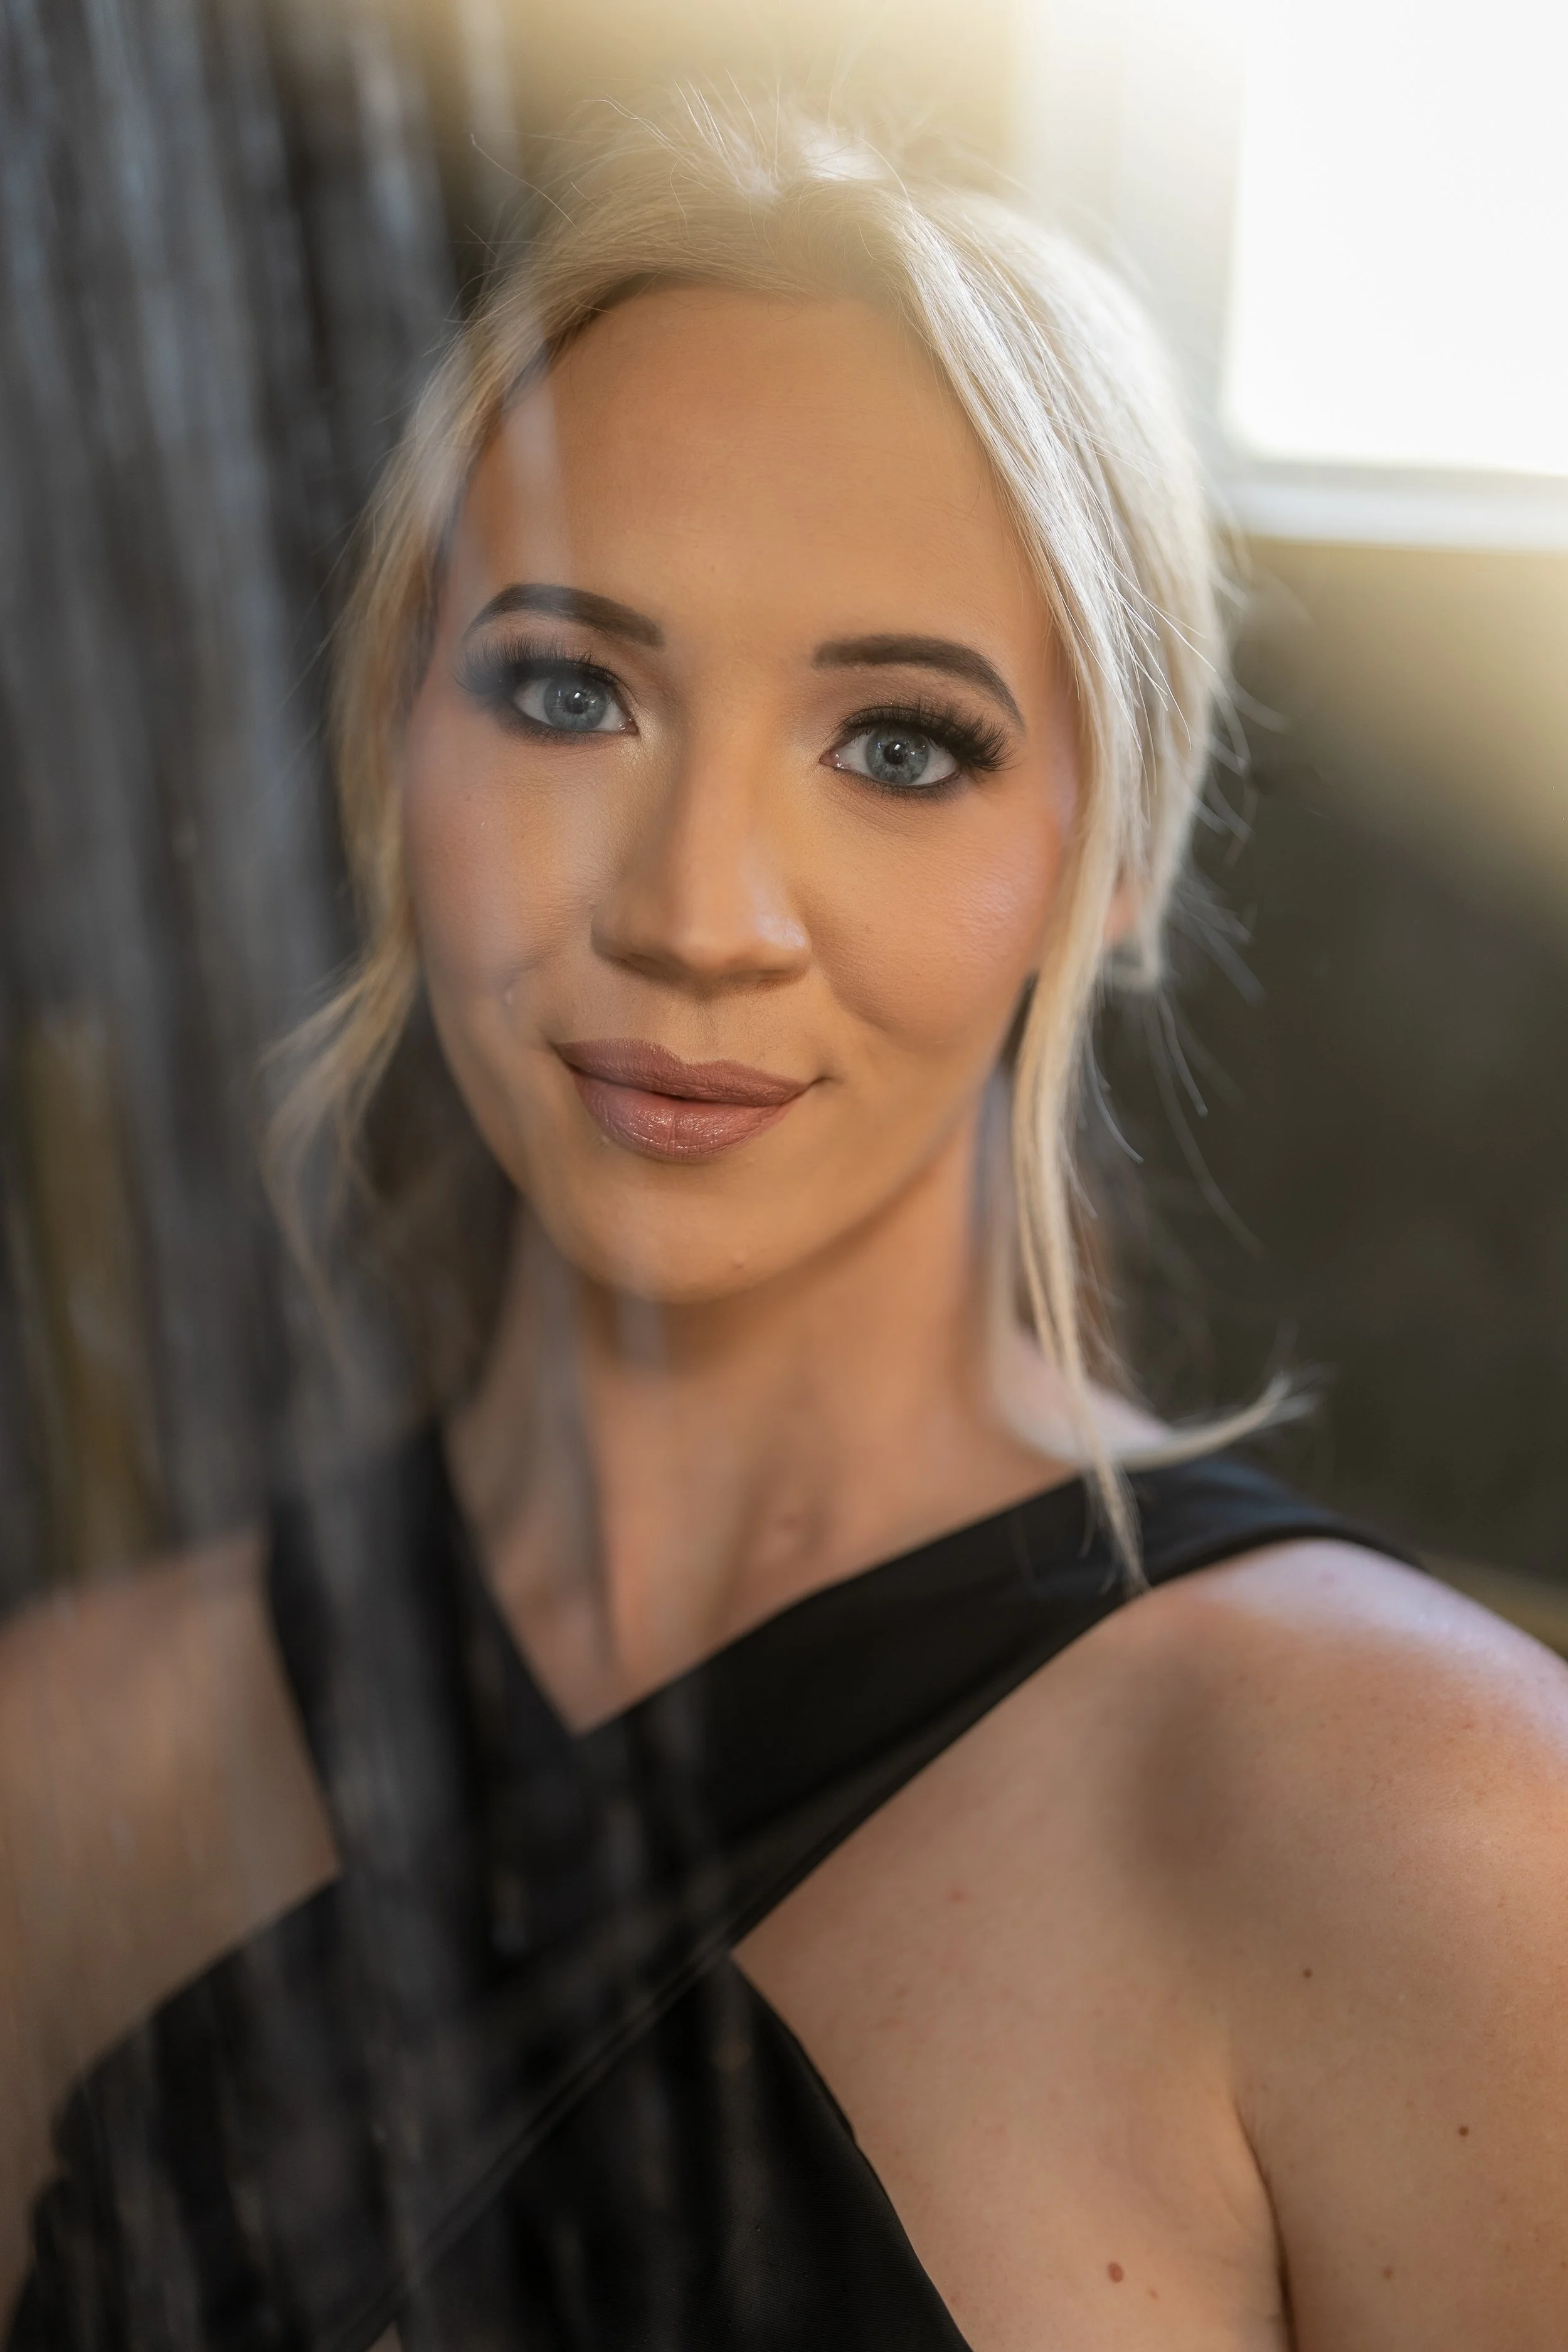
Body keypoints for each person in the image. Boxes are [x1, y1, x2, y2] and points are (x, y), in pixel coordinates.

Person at [3, 92, 1567, 2352]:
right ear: (391, 759)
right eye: (568, 691)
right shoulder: (75, 1769)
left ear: (1109, 858)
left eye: (902, 742)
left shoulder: (1442, 1844)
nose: (696, 916)